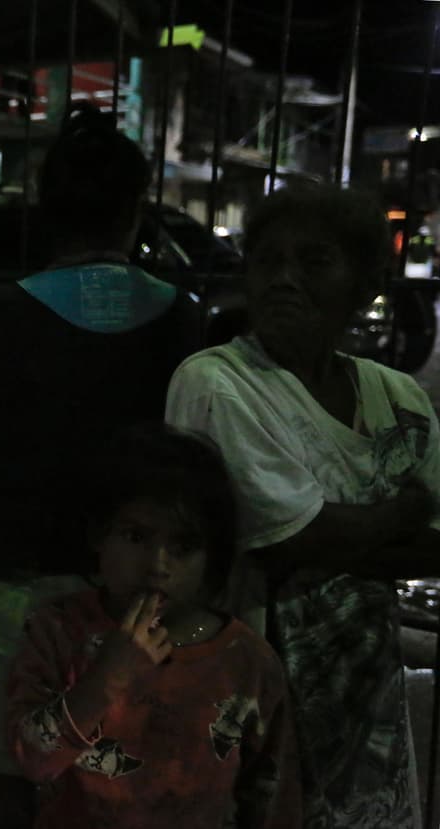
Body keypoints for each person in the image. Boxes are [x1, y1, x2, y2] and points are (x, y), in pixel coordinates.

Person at [0, 104, 202, 827]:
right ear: (135, 212)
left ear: (45, 210)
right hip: (137, 584)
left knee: (11, 757)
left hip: (13, 570)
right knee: (125, 759)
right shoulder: (178, 316)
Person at [165, 184, 440, 828]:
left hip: (365, 697)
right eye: (267, 261)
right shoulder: (215, 383)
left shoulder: (396, 396)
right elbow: (296, 538)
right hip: (247, 695)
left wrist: (334, 536)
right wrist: (399, 511)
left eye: (314, 262)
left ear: (366, 284)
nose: (283, 280)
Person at [7, 424, 301, 828]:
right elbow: (33, 758)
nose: (158, 566)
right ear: (98, 535)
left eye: (183, 547)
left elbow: (273, 798)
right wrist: (107, 677)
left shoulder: (247, 662)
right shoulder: (58, 631)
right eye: (136, 536)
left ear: (211, 557)